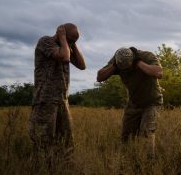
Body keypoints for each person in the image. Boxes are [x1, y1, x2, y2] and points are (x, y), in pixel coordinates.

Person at [29, 23, 86, 158]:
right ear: (62, 33)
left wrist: (73, 44)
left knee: (65, 142)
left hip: (62, 101)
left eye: (75, 40)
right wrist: (63, 38)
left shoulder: (66, 46)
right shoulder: (46, 42)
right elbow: (65, 57)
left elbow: (82, 66)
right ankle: (42, 167)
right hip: (45, 100)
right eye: (71, 39)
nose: (71, 43)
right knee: (43, 142)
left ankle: (62, 168)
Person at [97, 47, 163, 158]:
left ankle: (149, 165)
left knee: (146, 134)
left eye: (129, 67)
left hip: (152, 102)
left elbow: (159, 73)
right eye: (124, 69)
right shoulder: (117, 60)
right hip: (133, 104)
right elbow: (100, 77)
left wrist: (138, 63)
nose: (126, 71)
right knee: (126, 137)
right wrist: (114, 66)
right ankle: (128, 163)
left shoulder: (147, 56)